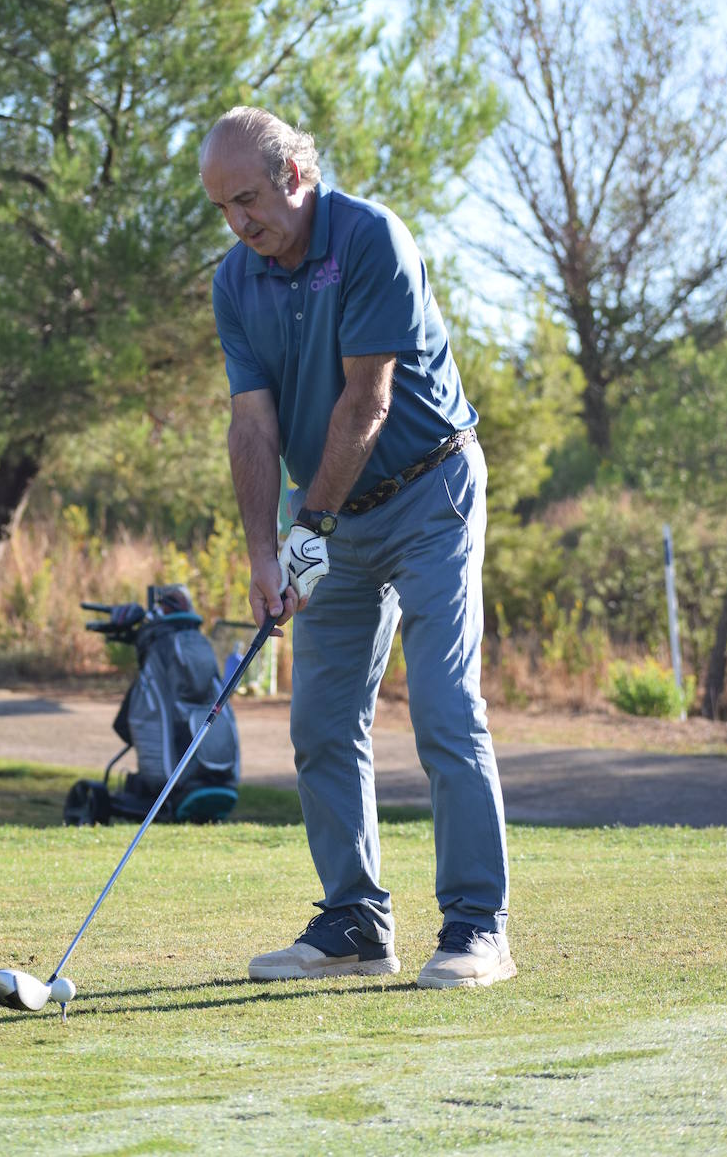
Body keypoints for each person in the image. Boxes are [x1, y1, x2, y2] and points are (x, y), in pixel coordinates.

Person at [200, 106, 515, 989]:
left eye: (249, 199)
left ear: (295, 175)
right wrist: (266, 554)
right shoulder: (236, 280)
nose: (239, 222)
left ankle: (476, 927)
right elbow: (253, 427)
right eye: (224, 207)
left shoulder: (372, 237)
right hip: (329, 512)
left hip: (430, 490)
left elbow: (366, 405)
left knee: (447, 709)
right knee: (320, 721)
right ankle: (354, 923)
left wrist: (309, 531)